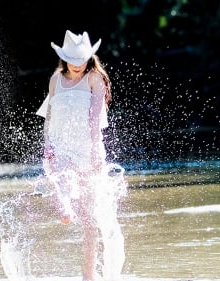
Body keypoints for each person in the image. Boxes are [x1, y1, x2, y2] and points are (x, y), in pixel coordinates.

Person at [35, 30, 126, 281]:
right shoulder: (56, 80)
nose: (77, 65)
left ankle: (89, 275)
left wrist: (96, 149)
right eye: (72, 60)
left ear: (89, 59)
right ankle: (63, 206)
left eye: (81, 60)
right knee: (60, 177)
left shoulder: (94, 78)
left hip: (88, 147)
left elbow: (95, 118)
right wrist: (47, 145)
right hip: (61, 145)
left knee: (90, 219)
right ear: (64, 59)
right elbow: (50, 117)